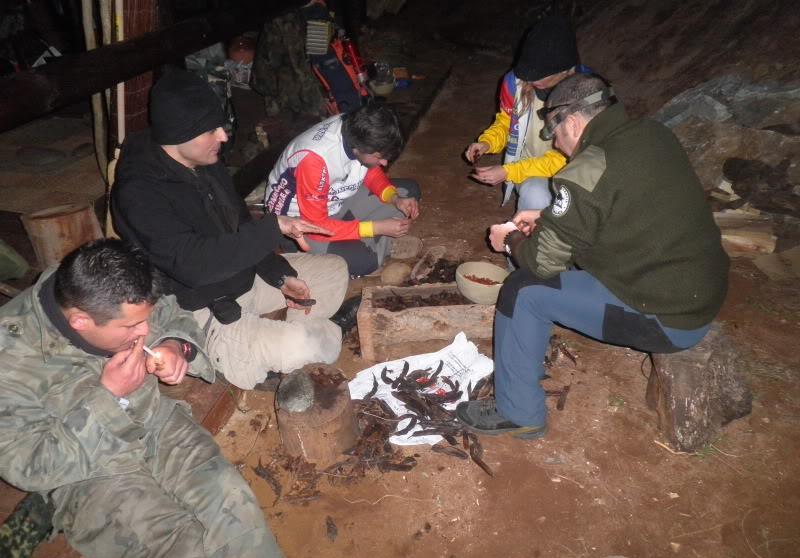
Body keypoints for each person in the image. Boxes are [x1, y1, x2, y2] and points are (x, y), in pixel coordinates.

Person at [0, 239, 308, 558]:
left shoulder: (110, 289)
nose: (144, 333)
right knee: (183, 554)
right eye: (132, 327)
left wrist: (176, 346)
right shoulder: (10, 359)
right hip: (90, 473)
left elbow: (171, 315)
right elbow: (29, 466)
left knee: (232, 501)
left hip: (156, 424)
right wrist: (108, 398)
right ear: (80, 321)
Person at [457, 74, 729, 439]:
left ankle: (518, 413)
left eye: (555, 133)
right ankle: (526, 361)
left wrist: (509, 240)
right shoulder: (651, 134)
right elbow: (617, 204)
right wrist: (548, 217)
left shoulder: (587, 167)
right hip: (698, 290)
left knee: (522, 290)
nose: (555, 143)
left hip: (665, 316)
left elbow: (541, 262)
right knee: (555, 269)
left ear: (572, 122)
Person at [112, 69, 351, 390]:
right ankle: (260, 353)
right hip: (202, 306)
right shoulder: (139, 192)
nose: (223, 137)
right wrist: (272, 228)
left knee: (336, 270)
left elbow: (240, 225)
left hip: (241, 278)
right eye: (211, 130)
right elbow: (193, 266)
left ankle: (282, 344)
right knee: (306, 345)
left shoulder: (204, 163)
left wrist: (280, 277)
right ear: (179, 134)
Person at [264, 103, 421, 277]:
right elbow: (316, 227)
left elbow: (370, 171)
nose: (384, 163)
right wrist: (376, 228)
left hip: (335, 201)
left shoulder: (357, 127)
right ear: (358, 147)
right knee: (365, 261)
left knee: (409, 191)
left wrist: (394, 198)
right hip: (300, 224)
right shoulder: (314, 160)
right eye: (380, 157)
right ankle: (374, 245)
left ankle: (374, 241)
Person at [465, 14, 590, 211]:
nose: (528, 79)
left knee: (574, 206)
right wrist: (487, 143)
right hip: (529, 170)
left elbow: (567, 159)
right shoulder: (515, 82)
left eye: (537, 74)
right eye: (527, 71)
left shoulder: (588, 94)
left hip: (575, 172)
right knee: (536, 194)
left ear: (564, 71)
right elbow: (507, 123)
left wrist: (509, 171)